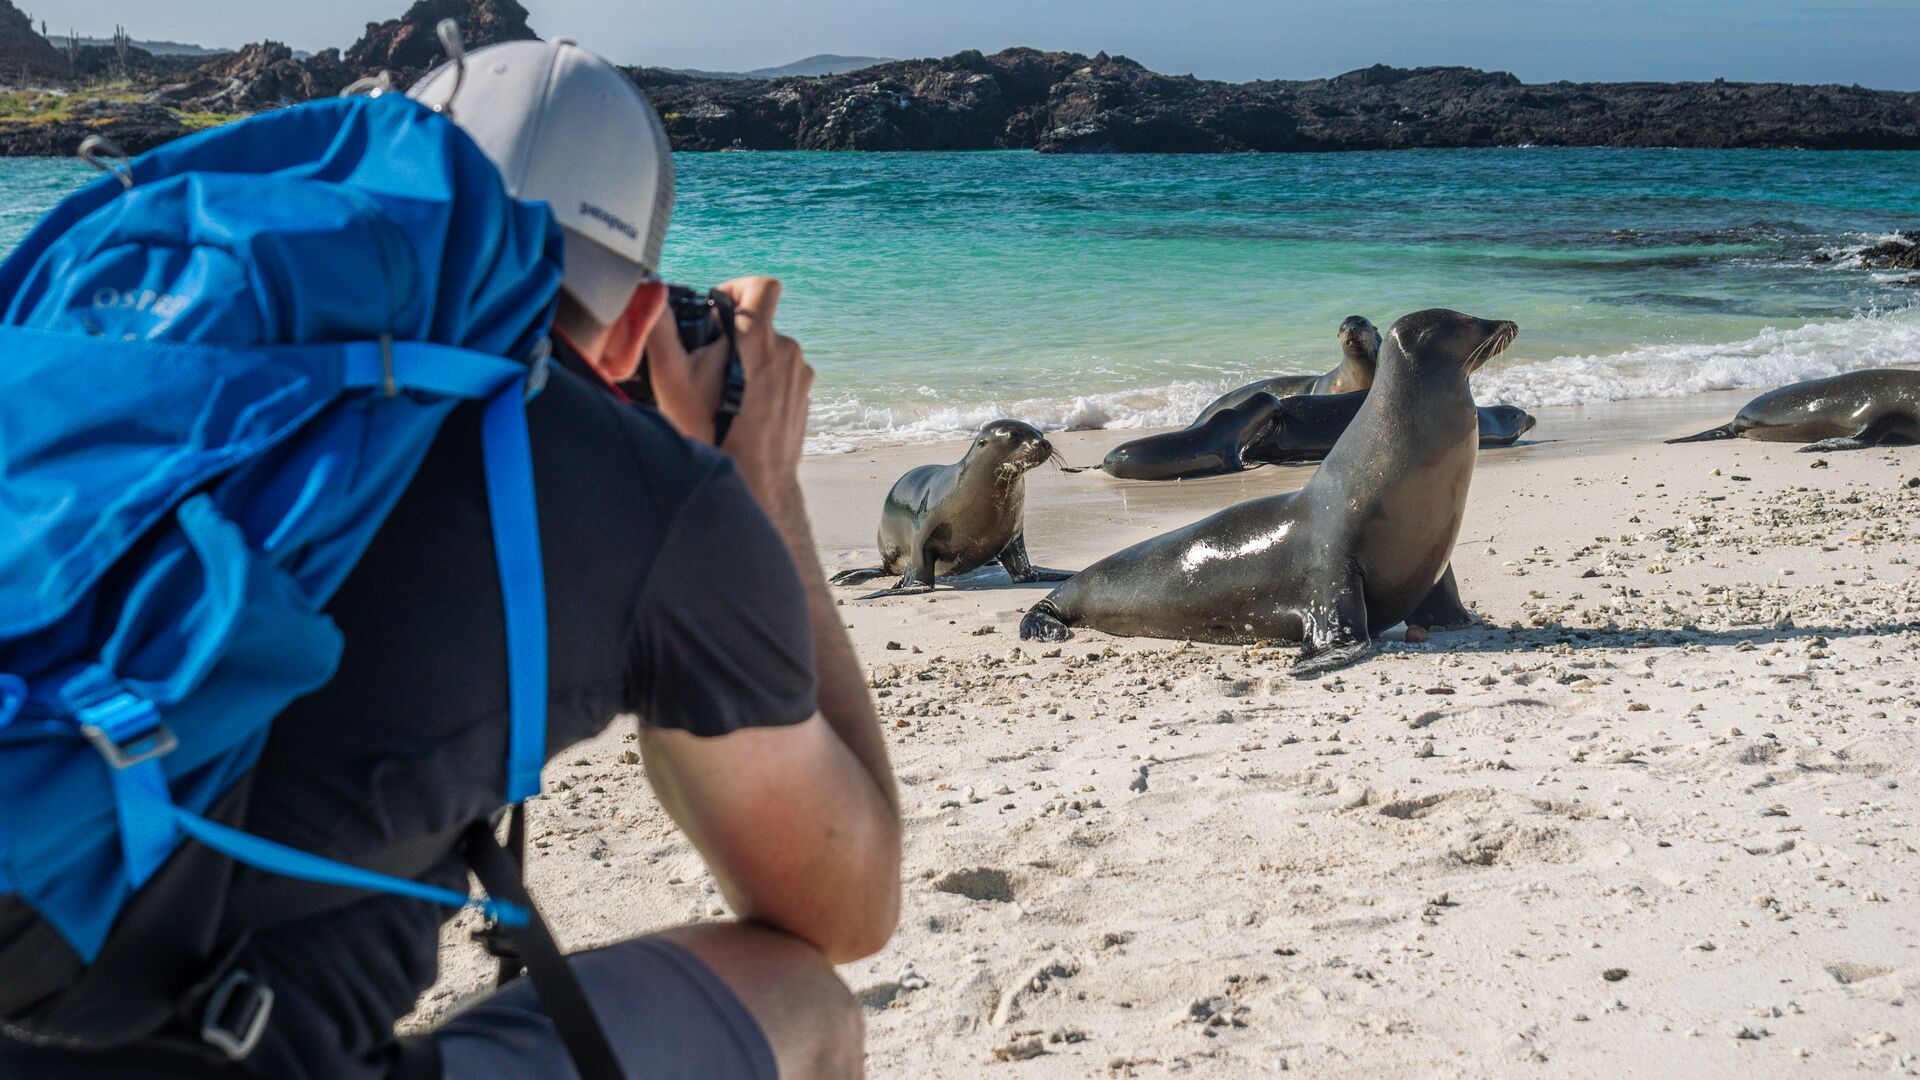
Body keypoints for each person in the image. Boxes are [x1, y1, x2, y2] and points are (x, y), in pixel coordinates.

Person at [8, 38, 900, 1080]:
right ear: (639, 327)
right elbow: (841, 904)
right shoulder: (657, 497)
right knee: (805, 1001)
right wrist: (762, 490)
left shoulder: (138, 355)